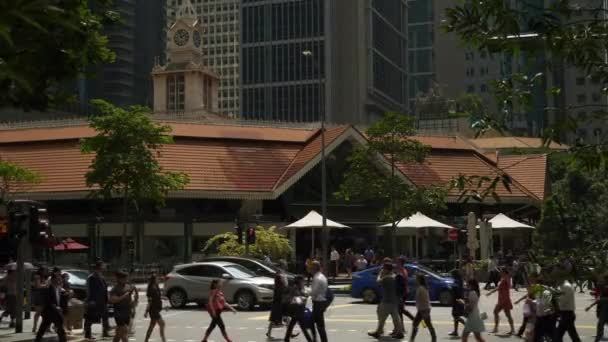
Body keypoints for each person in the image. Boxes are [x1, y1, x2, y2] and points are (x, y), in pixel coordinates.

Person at [367, 261, 404, 339]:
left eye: (383, 268)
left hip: (387, 300)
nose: (382, 270)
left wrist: (380, 274)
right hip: (394, 300)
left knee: (381, 315)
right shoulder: (394, 276)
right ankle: (399, 332)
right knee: (395, 317)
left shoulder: (387, 278)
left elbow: (378, 281)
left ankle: (378, 331)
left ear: (386, 269)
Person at [35, 272, 67, 342]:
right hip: (51, 311)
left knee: (43, 327)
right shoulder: (48, 288)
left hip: (51, 312)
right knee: (60, 327)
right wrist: (55, 307)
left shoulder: (59, 289)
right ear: (53, 280)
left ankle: (37, 340)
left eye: (60, 279)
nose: (59, 281)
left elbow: (59, 300)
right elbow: (47, 300)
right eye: (57, 279)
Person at [84, 260, 111, 340]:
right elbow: (89, 290)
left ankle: (105, 332)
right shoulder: (92, 277)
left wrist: (107, 298)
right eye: (103, 266)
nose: (105, 267)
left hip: (102, 300)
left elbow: (104, 288)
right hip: (94, 300)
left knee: (105, 316)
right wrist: (90, 300)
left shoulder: (101, 276)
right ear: (99, 266)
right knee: (90, 318)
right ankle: (87, 334)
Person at [284, 276, 313, 342]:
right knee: (302, 326)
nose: (304, 282)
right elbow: (296, 297)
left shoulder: (299, 288)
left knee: (293, 324)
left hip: (298, 309)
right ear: (299, 281)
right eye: (303, 281)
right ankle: (310, 340)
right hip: (296, 309)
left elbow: (302, 295)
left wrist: (306, 294)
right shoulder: (295, 288)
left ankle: (286, 338)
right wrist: (303, 297)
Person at [486, 268, 515, 335]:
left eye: (501, 272)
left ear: (504, 272)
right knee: (495, 312)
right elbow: (498, 288)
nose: (500, 273)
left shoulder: (507, 279)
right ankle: (496, 328)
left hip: (505, 300)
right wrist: (491, 292)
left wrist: (508, 276)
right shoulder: (502, 279)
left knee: (508, 315)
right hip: (501, 300)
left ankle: (512, 329)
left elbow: (509, 286)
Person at [109, 270, 135, 342]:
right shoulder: (115, 289)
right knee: (124, 333)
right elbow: (112, 300)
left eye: (126, 278)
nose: (126, 280)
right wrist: (123, 296)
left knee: (119, 334)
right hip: (119, 314)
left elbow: (131, 297)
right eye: (124, 279)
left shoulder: (128, 286)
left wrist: (133, 306)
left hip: (127, 312)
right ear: (119, 279)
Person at [554, 273, 581, 342]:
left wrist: (555, 299)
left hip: (567, 314)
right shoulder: (563, 286)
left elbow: (563, 301)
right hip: (567, 314)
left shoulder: (565, 287)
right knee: (572, 335)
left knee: (558, 335)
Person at [410, 274, 437, 342]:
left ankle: (434, 338)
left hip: (423, 309)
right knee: (416, 323)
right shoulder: (423, 287)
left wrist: (418, 305)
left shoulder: (421, 288)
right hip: (423, 309)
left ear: (419, 280)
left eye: (417, 279)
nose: (415, 280)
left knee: (427, 324)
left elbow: (422, 299)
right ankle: (412, 339)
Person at [585, 274, 608, 342]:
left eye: (604, 280)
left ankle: (597, 339)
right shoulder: (603, 287)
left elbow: (600, 299)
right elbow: (599, 297)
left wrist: (590, 306)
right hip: (603, 309)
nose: (603, 281)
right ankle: (598, 338)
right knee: (600, 326)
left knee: (600, 325)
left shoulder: (604, 288)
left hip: (604, 309)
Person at [394, 257, 414, 335]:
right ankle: (401, 327)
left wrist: (400, 295)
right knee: (400, 311)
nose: (396, 263)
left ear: (400, 263)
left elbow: (400, 284)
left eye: (397, 262)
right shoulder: (402, 270)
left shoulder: (401, 271)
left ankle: (414, 320)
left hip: (402, 293)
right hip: (403, 292)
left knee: (400, 311)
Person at [144, 273, 166, 342]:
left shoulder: (156, 287)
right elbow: (150, 301)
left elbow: (157, 297)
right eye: (157, 279)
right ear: (154, 280)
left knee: (152, 326)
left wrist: (163, 297)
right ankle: (163, 340)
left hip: (156, 309)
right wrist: (146, 311)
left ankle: (146, 340)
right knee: (162, 324)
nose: (159, 280)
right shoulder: (151, 289)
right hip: (153, 310)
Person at [310, 261, 328, 342]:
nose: (310, 269)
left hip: (318, 302)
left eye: (311, 267)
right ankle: (320, 339)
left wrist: (306, 293)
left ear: (314, 268)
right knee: (319, 324)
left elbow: (314, 291)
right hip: (321, 302)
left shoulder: (317, 278)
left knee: (314, 323)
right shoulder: (322, 276)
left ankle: (316, 339)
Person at [267, 271, 288, 338]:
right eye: (282, 278)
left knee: (275, 319)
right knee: (274, 319)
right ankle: (268, 332)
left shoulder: (278, 286)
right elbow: (282, 295)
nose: (283, 278)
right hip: (279, 305)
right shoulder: (280, 287)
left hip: (278, 305)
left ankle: (290, 333)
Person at [32, 267, 49, 333]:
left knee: (44, 313)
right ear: (41, 271)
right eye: (45, 270)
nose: (46, 272)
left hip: (43, 295)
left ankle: (43, 328)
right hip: (39, 295)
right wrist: (46, 285)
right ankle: (34, 327)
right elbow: (37, 286)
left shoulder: (44, 277)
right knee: (38, 312)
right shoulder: (37, 276)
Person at [450, 269, 466, 337]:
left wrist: (452, 288)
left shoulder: (457, 281)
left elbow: (457, 290)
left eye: (452, 275)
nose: (451, 276)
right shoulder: (459, 280)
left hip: (457, 300)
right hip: (457, 300)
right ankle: (455, 331)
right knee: (456, 316)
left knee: (455, 315)